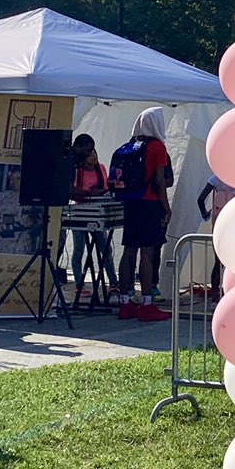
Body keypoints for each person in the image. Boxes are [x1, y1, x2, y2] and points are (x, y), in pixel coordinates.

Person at [109, 108, 173, 322]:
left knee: (129, 251)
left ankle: (125, 302)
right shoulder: (157, 147)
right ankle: (147, 303)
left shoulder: (130, 145)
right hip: (150, 204)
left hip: (131, 203)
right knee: (148, 253)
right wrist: (167, 208)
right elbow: (160, 181)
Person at [195, 171, 235, 293]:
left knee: (218, 261)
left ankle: (215, 295)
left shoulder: (216, 179)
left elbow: (200, 199)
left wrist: (205, 214)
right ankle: (232, 291)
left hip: (219, 223)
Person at [69, 133, 107, 202]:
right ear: (77, 147)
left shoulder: (101, 168)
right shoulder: (68, 162)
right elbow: (68, 190)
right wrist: (90, 193)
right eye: (88, 150)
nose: (89, 154)